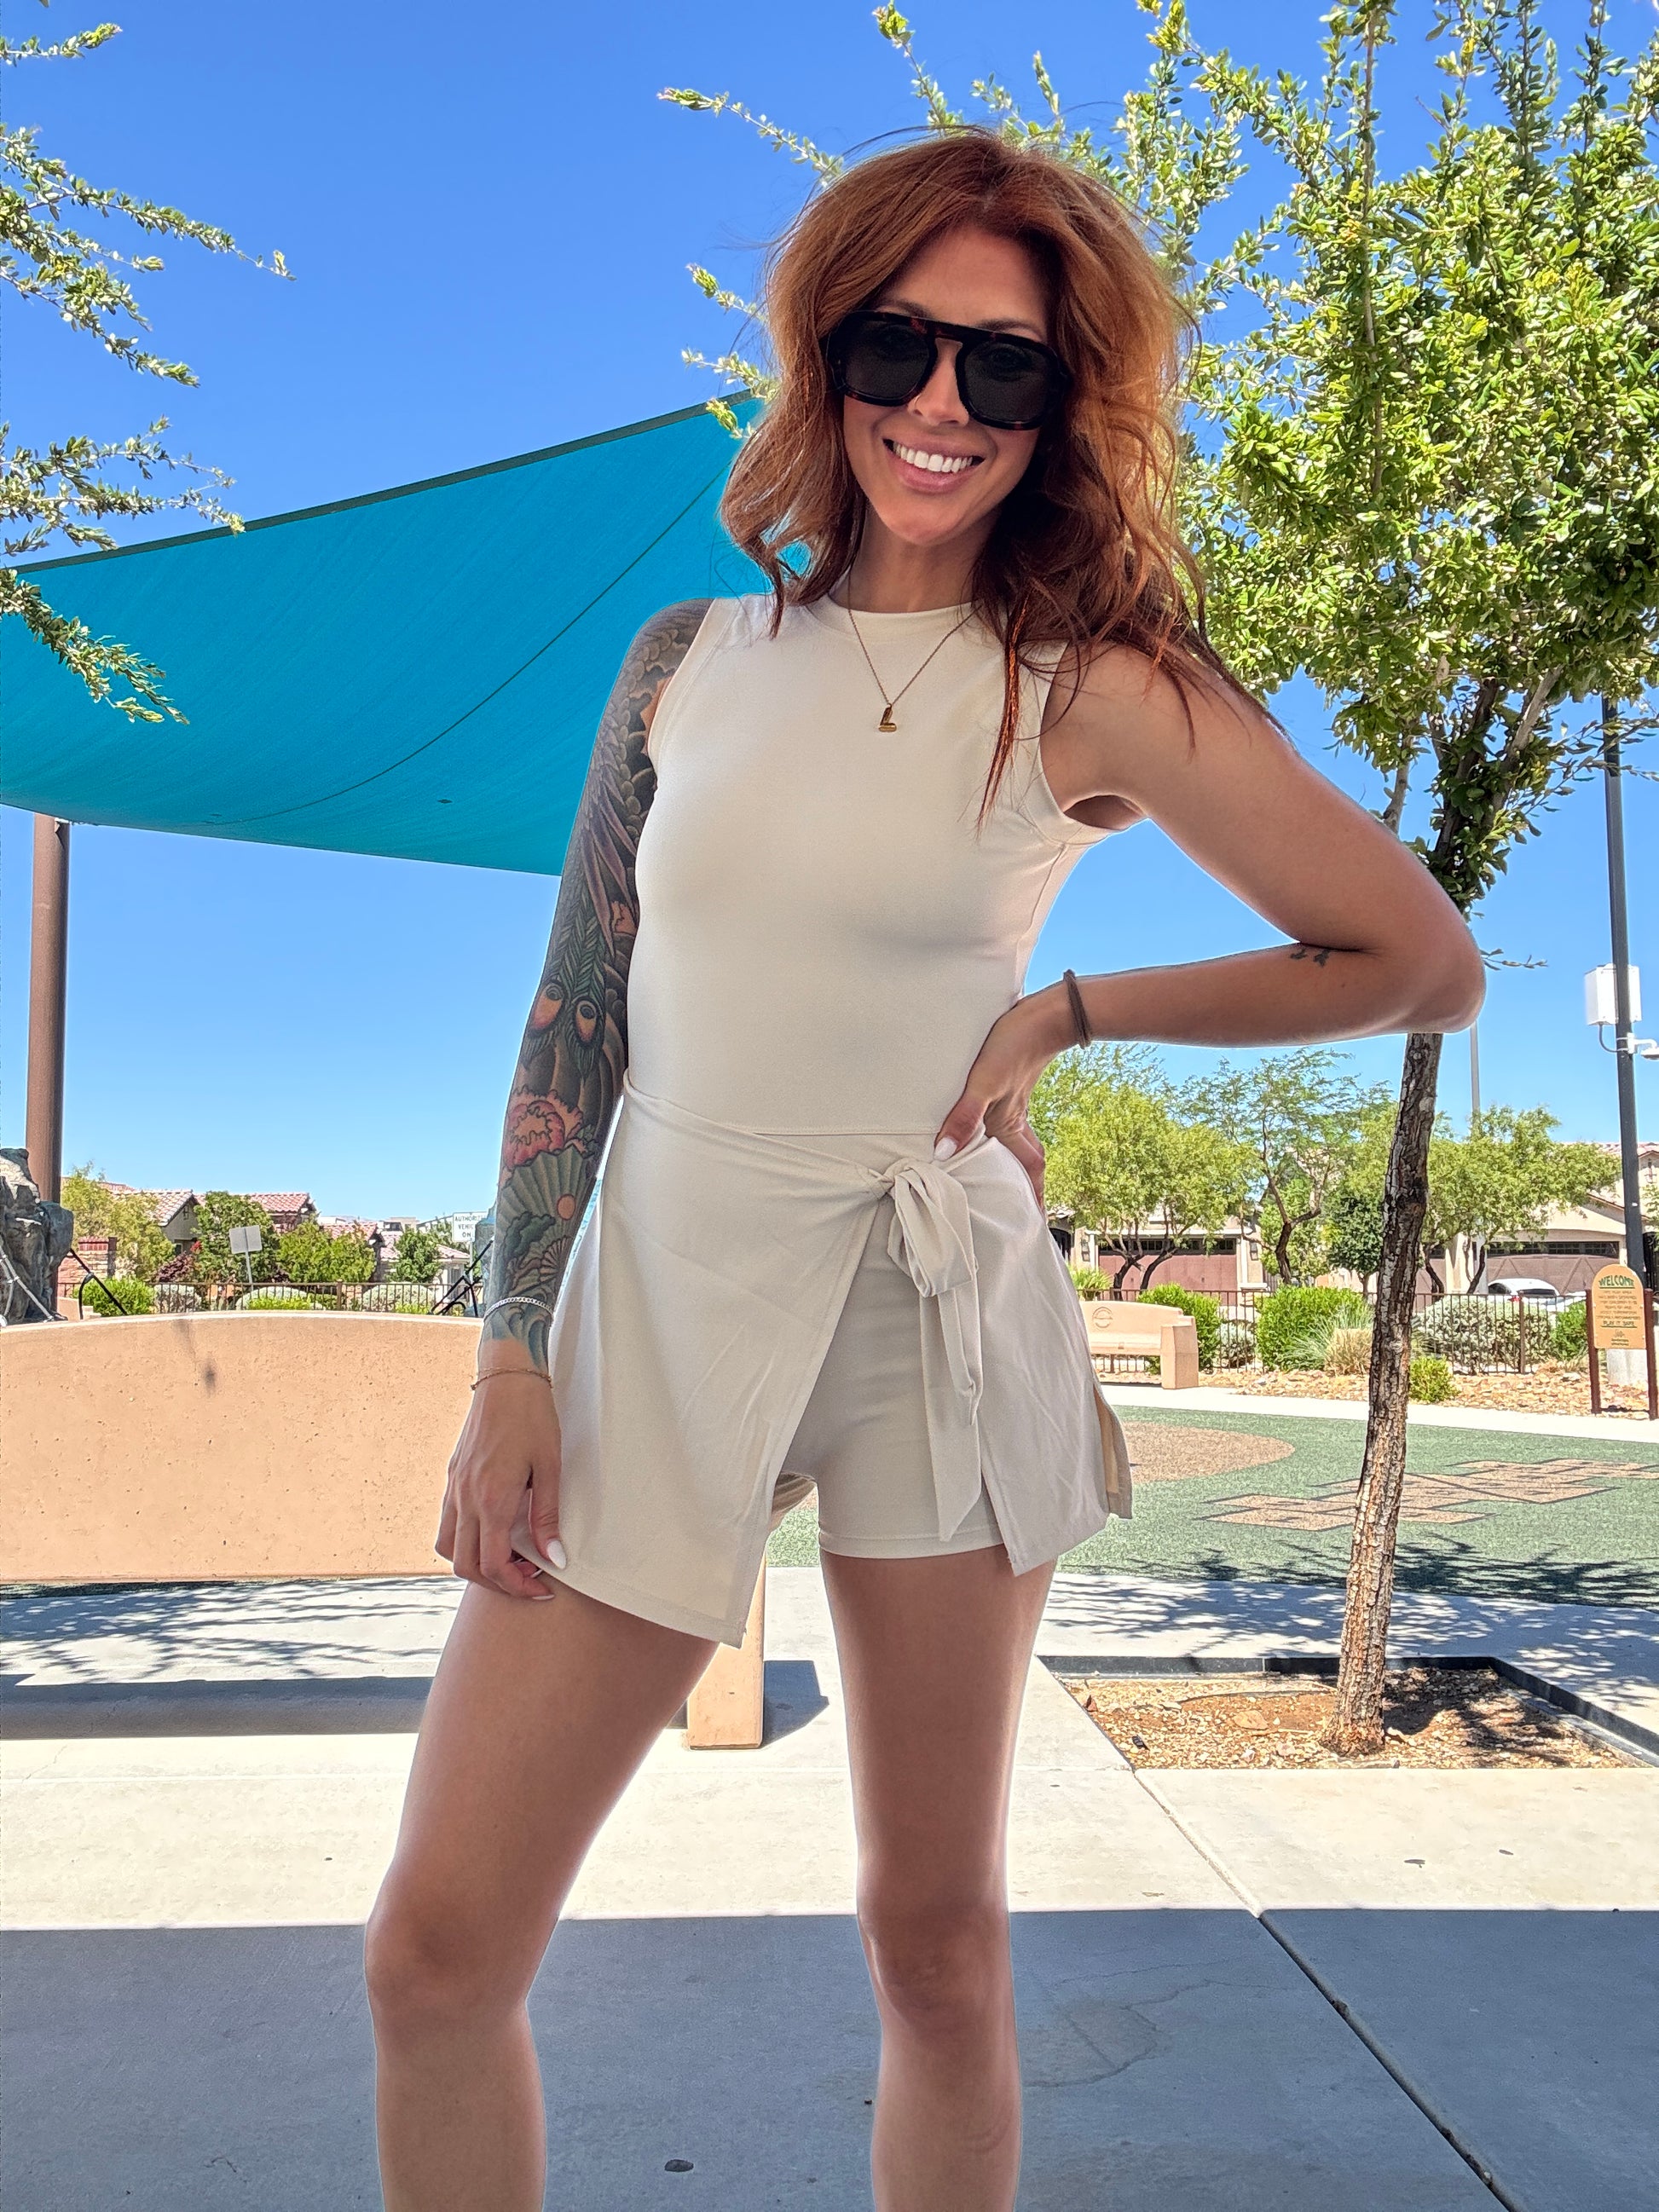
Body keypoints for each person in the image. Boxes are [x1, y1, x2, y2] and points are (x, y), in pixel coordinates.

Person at [364, 130, 1483, 2212]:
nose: (943, 402)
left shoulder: (1092, 686)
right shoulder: (684, 665)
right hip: (663, 1289)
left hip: (932, 1304)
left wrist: (1072, 1012)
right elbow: (574, 1015)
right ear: (827, 354)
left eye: (1005, 364)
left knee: (937, 1943)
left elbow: (1416, 957)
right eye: (898, 344)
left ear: (1062, 403)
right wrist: (508, 1350)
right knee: (433, 1951)